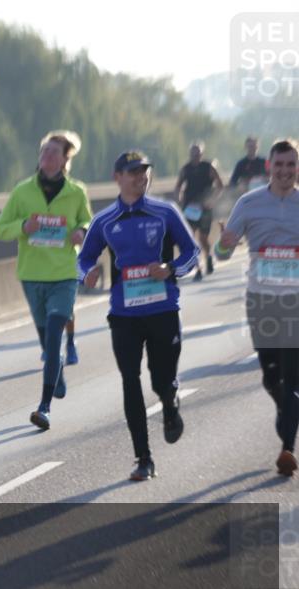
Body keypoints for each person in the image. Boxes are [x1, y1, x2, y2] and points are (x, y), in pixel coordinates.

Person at [78, 150, 199, 481]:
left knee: (161, 380)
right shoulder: (105, 221)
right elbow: (83, 259)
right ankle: (143, 458)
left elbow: (193, 254)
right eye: (132, 172)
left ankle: (169, 401)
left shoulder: (165, 212)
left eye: (144, 172)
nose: (140, 177)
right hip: (124, 315)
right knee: (130, 380)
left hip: (163, 310)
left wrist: (170, 268)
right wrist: (86, 274)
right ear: (118, 177)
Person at [0, 130, 93, 430]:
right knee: (47, 344)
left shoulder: (76, 192)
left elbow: (87, 220)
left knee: (53, 335)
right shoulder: (22, 192)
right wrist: (25, 225)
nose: (47, 157)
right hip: (31, 275)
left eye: (54, 152)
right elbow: (0, 229)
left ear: (65, 160)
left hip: (63, 274)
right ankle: (57, 368)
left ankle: (44, 406)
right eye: (44, 152)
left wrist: (83, 231)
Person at [215, 138, 299, 477]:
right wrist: (223, 247)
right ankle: (286, 409)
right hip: (261, 300)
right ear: (269, 167)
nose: (284, 171)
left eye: (291, 165)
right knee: (270, 375)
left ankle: (287, 449)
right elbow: (223, 251)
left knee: (292, 376)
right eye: (279, 165)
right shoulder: (249, 203)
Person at [173, 142, 224, 281]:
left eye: (198, 153)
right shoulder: (185, 169)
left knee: (203, 238)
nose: (195, 156)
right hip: (190, 208)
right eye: (193, 154)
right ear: (190, 154)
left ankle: (208, 257)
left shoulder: (208, 167)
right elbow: (178, 187)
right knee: (190, 239)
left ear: (202, 154)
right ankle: (197, 269)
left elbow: (220, 186)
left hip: (205, 208)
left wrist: (212, 201)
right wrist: (179, 200)